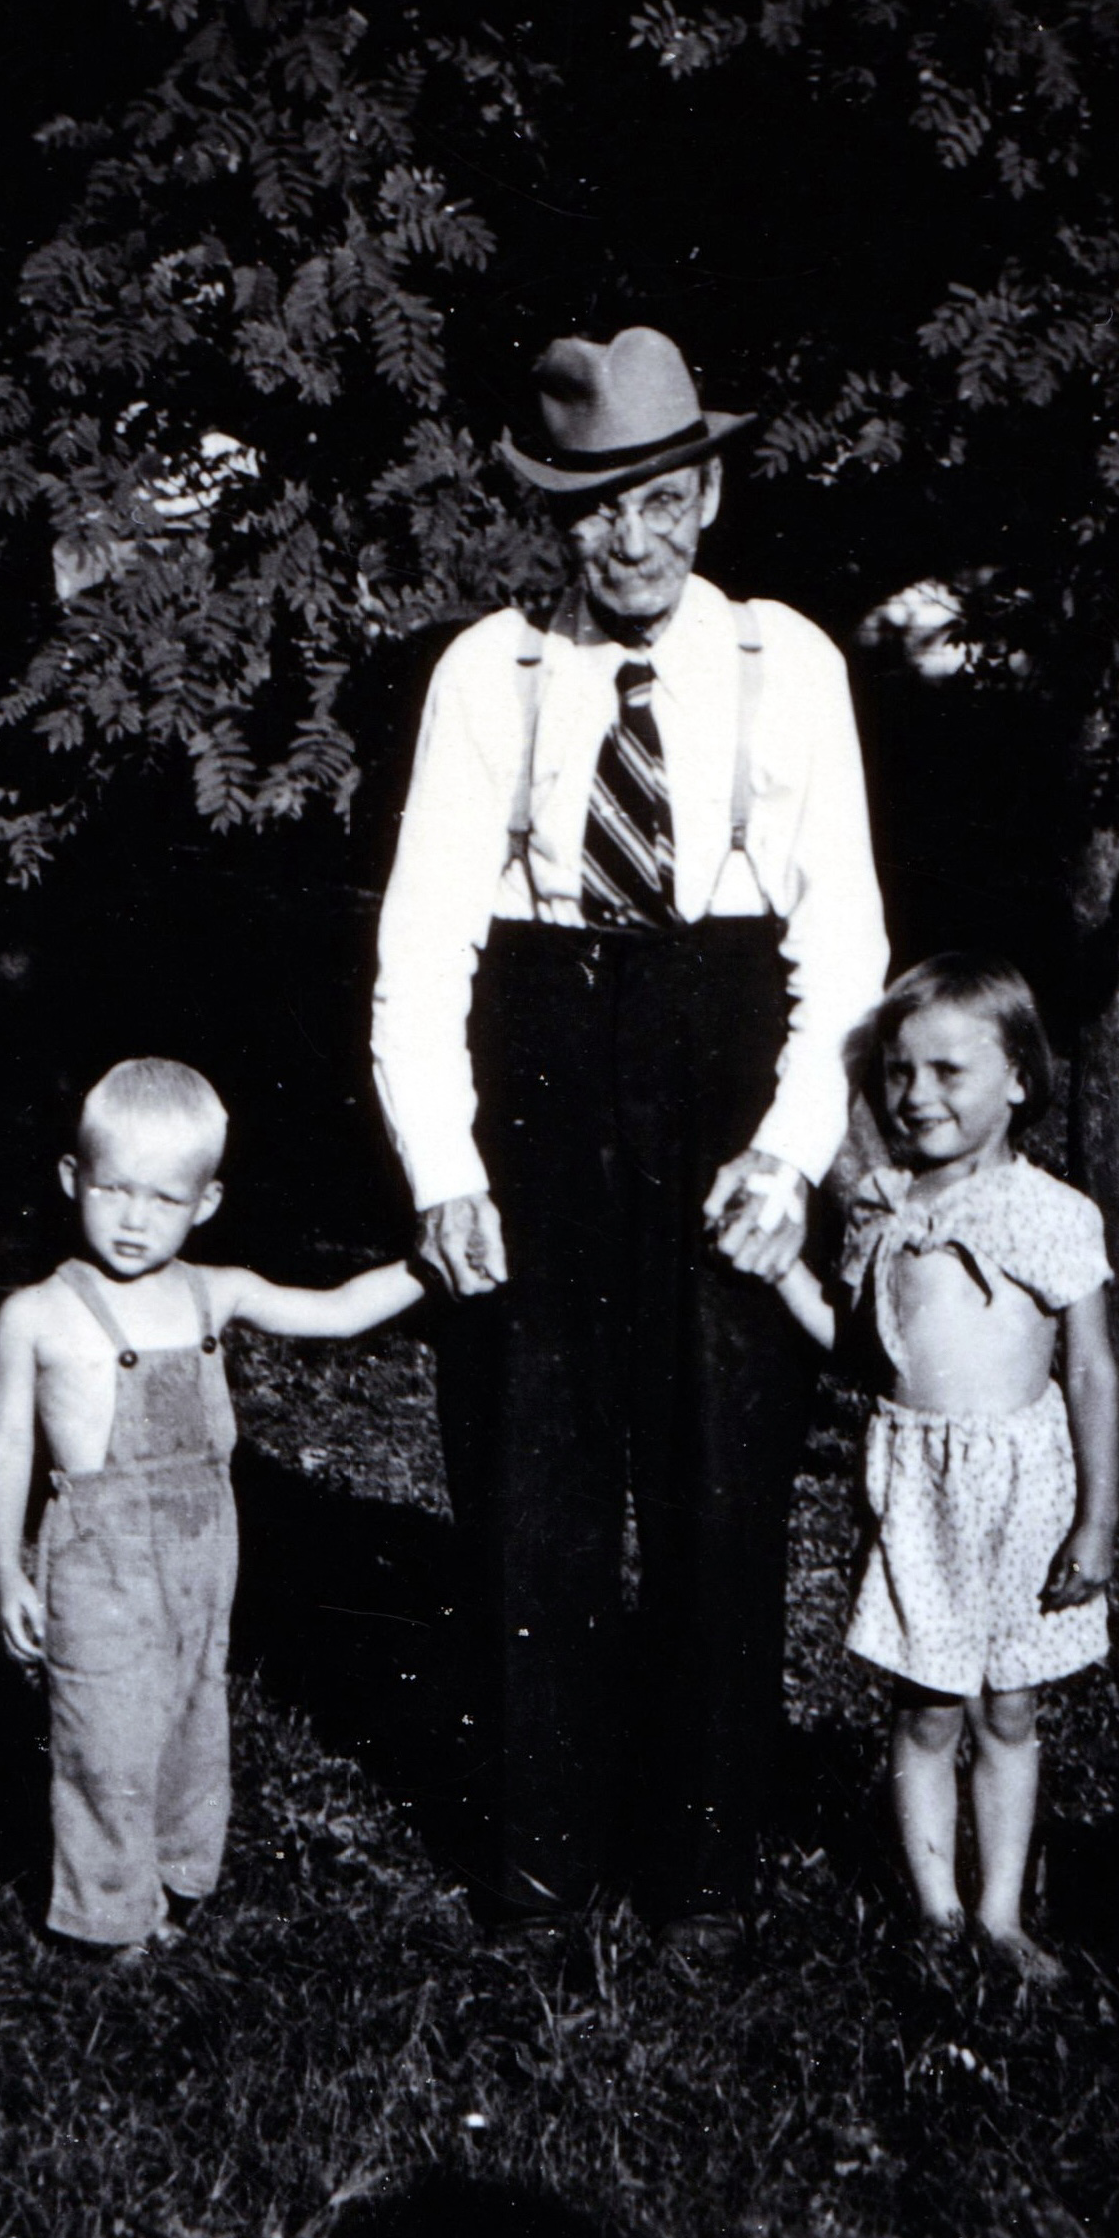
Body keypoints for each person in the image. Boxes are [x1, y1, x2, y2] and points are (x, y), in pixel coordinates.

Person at [370, 327, 890, 1954]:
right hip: (538, 1079)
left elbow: (846, 938)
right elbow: (422, 939)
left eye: (663, 500)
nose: (635, 539)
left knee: (722, 1489)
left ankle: (708, 1870)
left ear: (711, 489)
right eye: (599, 512)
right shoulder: (489, 671)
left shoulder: (784, 664)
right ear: (554, 519)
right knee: (534, 1487)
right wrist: (444, 1164)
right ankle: (541, 1866)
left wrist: (791, 1148)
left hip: (728, 1081)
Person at [0, 1059, 424, 1955]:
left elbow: (335, 1311)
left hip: (200, 1551)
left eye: (163, 1198)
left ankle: (178, 1874)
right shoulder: (37, 1315)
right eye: (113, 1190)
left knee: (190, 1712)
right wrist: (6, 1570)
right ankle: (110, 1916)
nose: (135, 1219)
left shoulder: (213, 1292)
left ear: (206, 1203)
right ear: (73, 1180)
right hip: (99, 1558)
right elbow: (7, 1445)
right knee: (102, 1735)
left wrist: (435, 1266)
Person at [758, 956, 1119, 1983]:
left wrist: (1096, 1521)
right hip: (917, 1481)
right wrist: (782, 1268)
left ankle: (1002, 1914)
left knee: (1009, 1706)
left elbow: (1090, 1369)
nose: (916, 1095)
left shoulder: (1052, 1212)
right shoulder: (879, 1206)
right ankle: (936, 1908)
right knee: (924, 1703)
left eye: (947, 1071)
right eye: (898, 1072)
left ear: (1018, 1077)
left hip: (1025, 1490)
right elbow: (858, 1346)